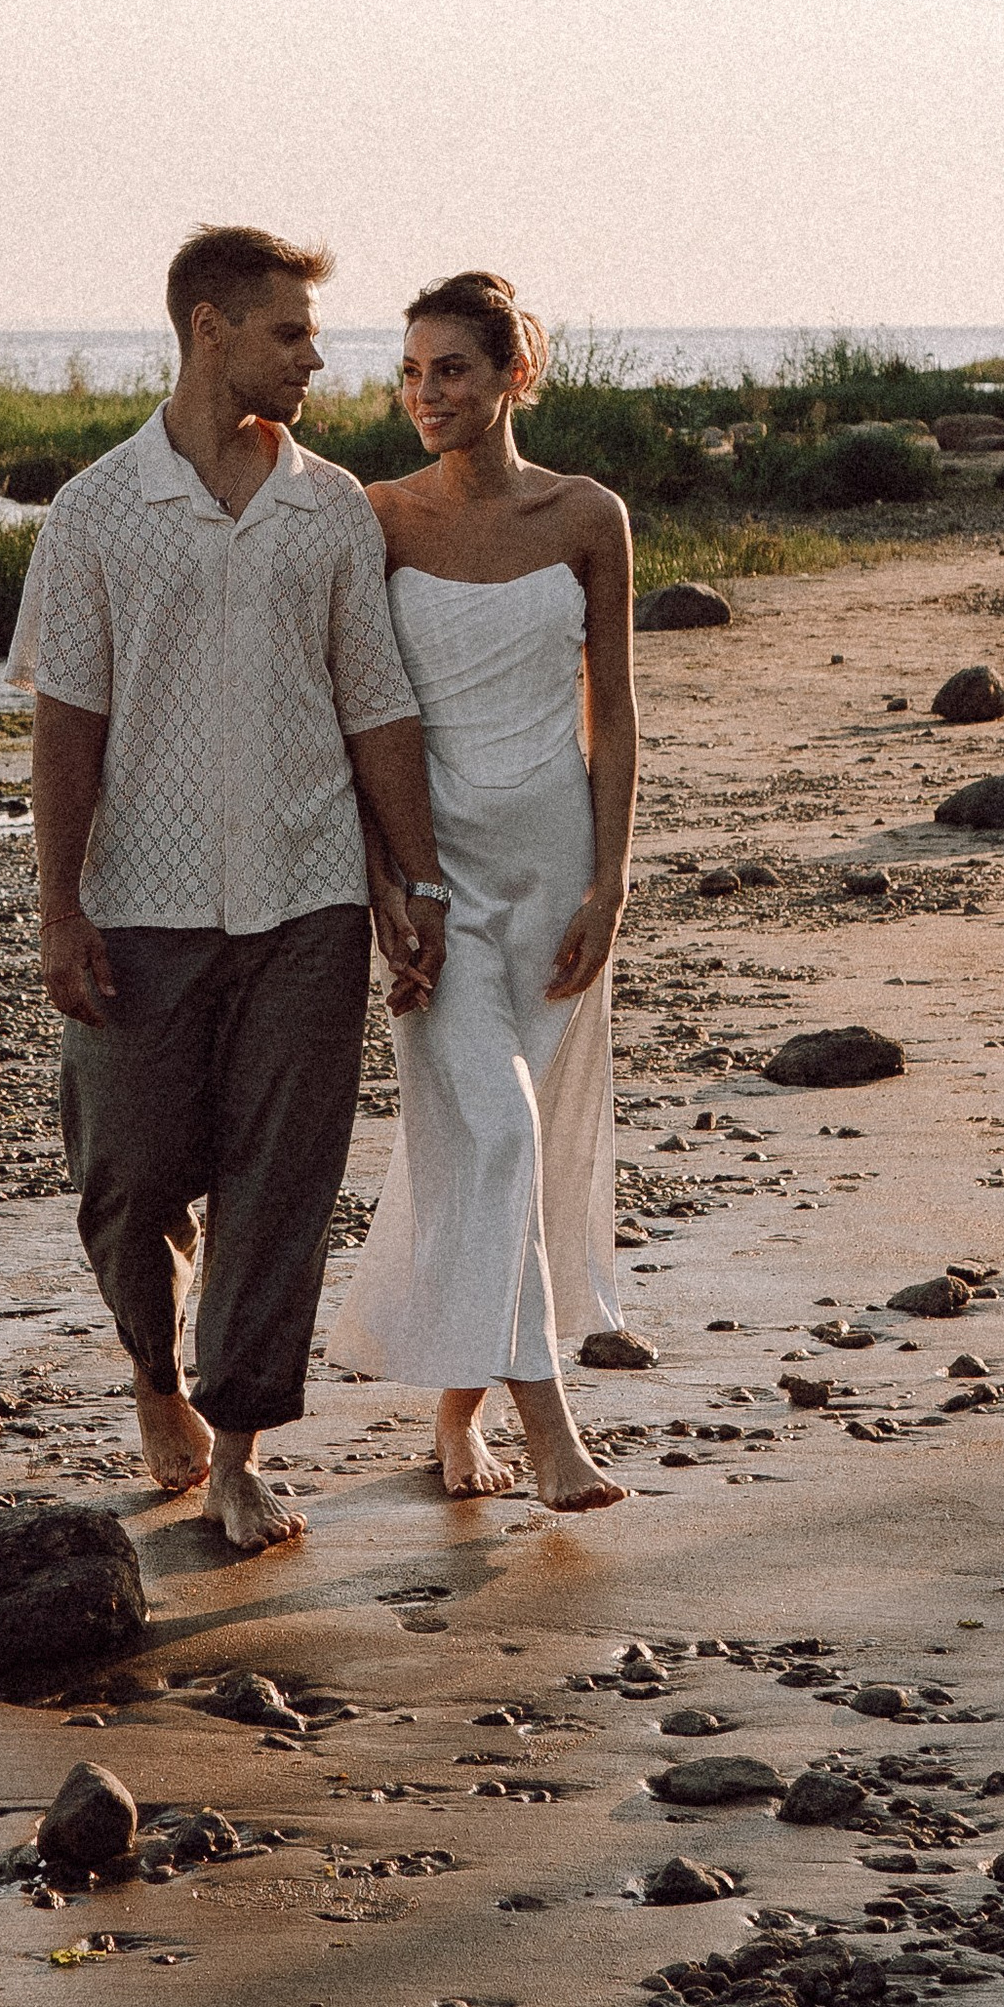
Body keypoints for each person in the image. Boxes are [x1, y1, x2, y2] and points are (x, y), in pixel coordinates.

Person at [10, 226, 452, 1553]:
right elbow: (66, 726)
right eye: (290, 333)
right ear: (211, 329)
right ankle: (156, 1371)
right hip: (140, 905)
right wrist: (59, 908)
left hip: (308, 901)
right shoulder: (97, 511)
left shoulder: (331, 508)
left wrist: (412, 878)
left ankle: (240, 1450)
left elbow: (375, 705)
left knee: (280, 1186)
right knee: (127, 1178)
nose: (317, 358)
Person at [330, 270, 637, 1509]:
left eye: (449, 369)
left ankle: (456, 1413)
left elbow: (613, 714)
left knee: (508, 1151)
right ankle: (551, 1431)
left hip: (554, 869)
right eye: (409, 372)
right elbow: (353, 720)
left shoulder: (588, 515)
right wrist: (383, 886)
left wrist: (609, 884)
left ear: (514, 374)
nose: (424, 394)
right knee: (494, 1132)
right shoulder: (377, 518)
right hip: (436, 881)